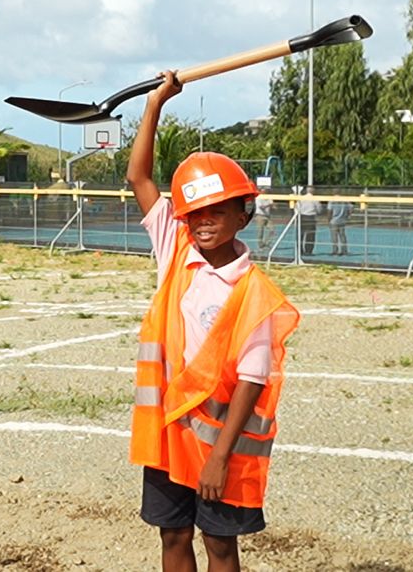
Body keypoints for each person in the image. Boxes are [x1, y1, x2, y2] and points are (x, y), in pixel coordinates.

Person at [126, 72, 300, 572]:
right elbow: (139, 178)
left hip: (219, 442)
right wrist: (155, 104)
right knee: (173, 535)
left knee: (221, 545)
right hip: (170, 433)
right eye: (195, 211)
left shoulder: (254, 292)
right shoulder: (175, 250)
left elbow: (251, 379)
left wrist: (220, 456)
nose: (203, 220)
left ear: (242, 216)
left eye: (217, 210)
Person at [296, 190, 320, 258]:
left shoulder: (301, 198)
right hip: (310, 217)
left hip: (301, 216)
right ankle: (308, 251)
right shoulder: (315, 199)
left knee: (300, 235)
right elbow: (319, 209)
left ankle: (299, 251)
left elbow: (297, 207)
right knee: (310, 236)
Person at [253, 188, 274, 254]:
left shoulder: (269, 197)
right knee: (260, 232)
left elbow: (272, 205)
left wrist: (273, 206)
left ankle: (266, 244)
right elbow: (261, 207)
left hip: (267, 216)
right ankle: (260, 245)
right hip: (260, 216)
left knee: (272, 230)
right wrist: (269, 205)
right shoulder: (258, 198)